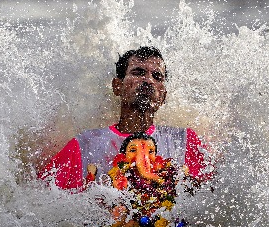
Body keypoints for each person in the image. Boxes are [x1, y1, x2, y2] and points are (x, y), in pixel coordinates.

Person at [40, 46, 209, 192]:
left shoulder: (184, 142)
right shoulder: (84, 145)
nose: (148, 80)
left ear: (163, 96)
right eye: (138, 72)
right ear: (117, 86)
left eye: (157, 77)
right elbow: (40, 200)